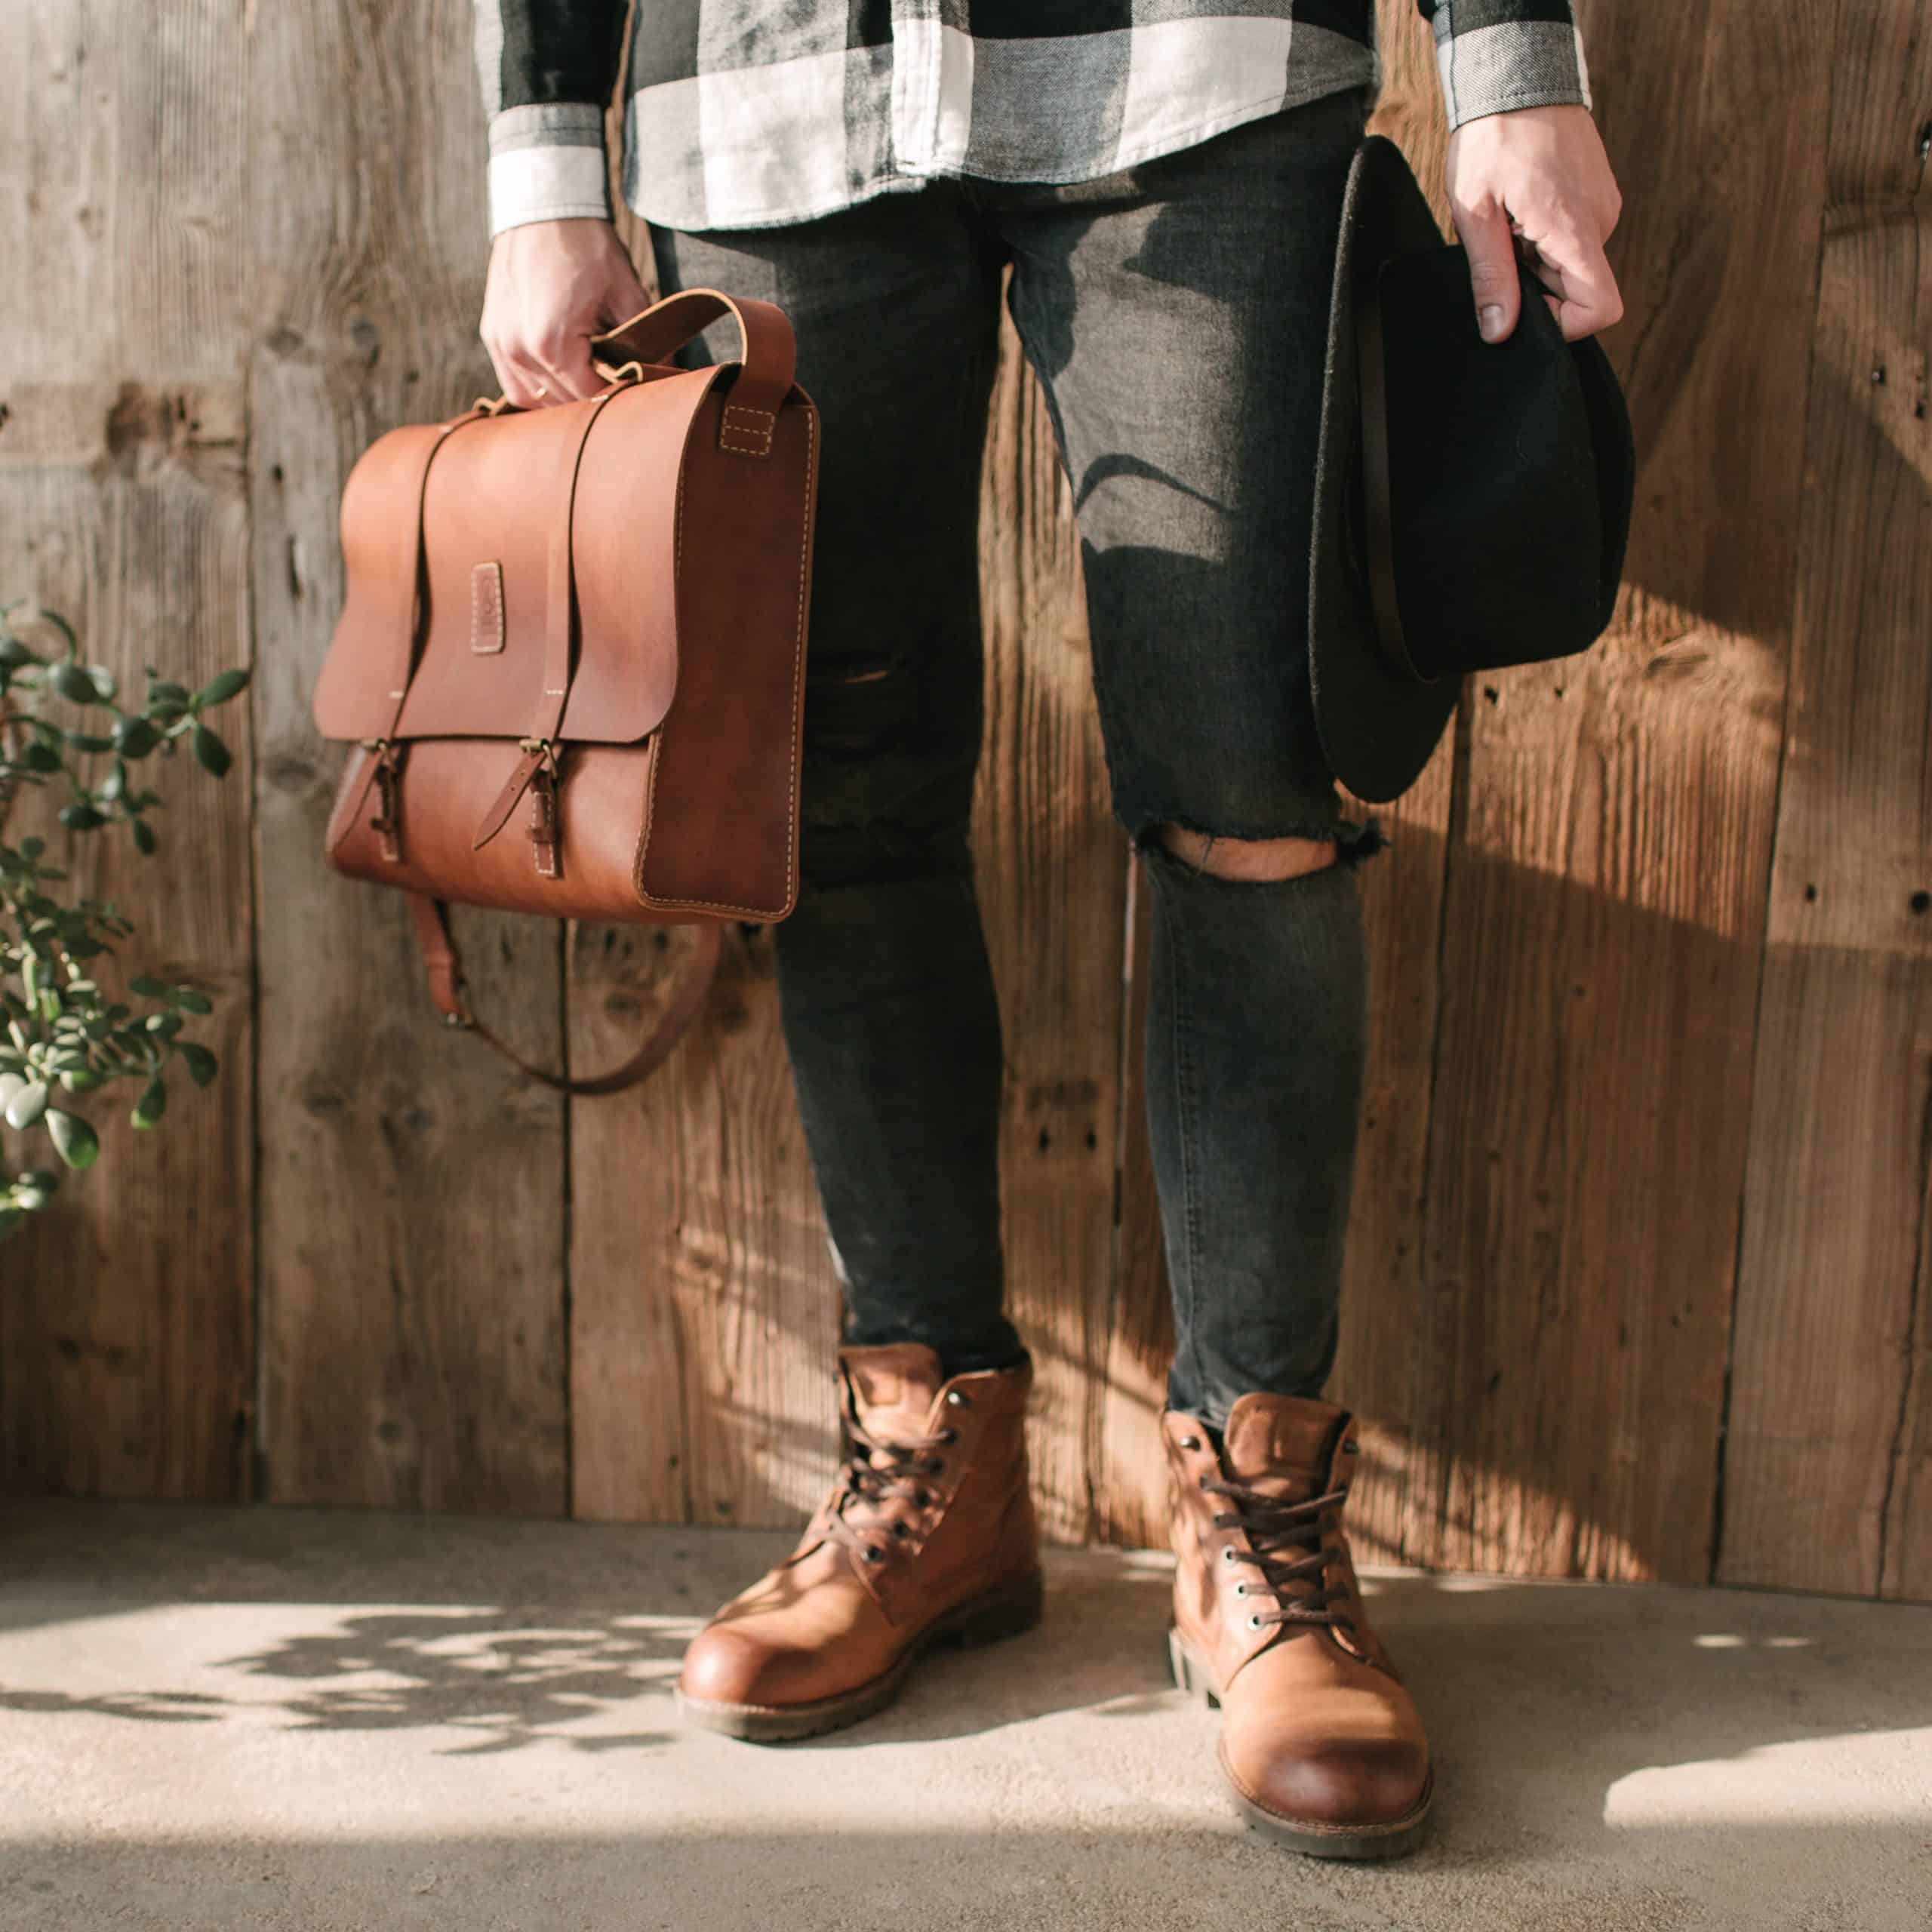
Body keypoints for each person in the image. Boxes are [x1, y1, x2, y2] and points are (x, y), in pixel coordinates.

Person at [473, 0, 1622, 1859]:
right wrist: (540, 157)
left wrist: (1512, 61)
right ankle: (935, 1463)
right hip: (771, 87)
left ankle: (1256, 1512)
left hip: (1201, 66)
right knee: (832, 800)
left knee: (1254, 796)